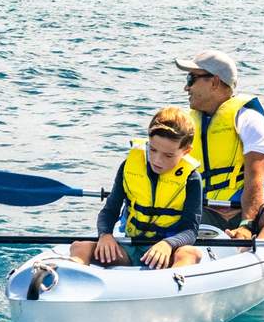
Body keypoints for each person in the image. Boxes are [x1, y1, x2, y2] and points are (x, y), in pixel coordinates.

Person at [175, 49, 264, 241]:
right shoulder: (187, 123)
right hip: (204, 210)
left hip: (250, 212)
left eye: (191, 79)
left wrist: (246, 225)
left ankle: (257, 248)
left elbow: (256, 179)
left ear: (215, 82)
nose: (186, 88)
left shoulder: (249, 120)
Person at [69, 107, 204, 270]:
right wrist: (105, 235)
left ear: (186, 151)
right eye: (153, 150)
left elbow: (190, 230)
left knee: (190, 254)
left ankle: (171, 288)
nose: (157, 160)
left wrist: (168, 244)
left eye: (168, 155)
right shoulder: (128, 167)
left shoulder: (192, 178)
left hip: (167, 253)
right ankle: (68, 282)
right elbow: (109, 211)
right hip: (131, 248)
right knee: (79, 247)